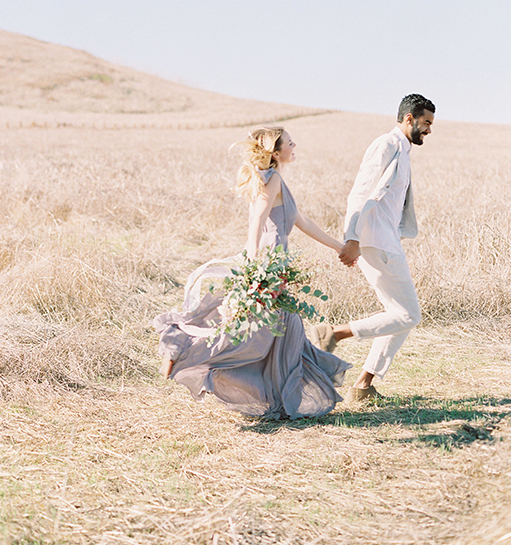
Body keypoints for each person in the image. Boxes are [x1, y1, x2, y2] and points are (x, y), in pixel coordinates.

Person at [153, 126, 351, 420]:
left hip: (276, 264)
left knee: (281, 334)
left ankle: (280, 401)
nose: (295, 145)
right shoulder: (273, 180)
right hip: (269, 264)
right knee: (257, 334)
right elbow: (258, 217)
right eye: (289, 142)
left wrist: (340, 247)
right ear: (276, 152)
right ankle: (181, 344)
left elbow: (303, 222)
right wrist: (254, 259)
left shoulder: (275, 182)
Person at [310, 94, 435, 402]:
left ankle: (364, 385)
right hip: (373, 242)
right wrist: (352, 239)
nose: (429, 130)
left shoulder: (403, 152)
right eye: (426, 123)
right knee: (409, 315)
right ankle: (335, 334)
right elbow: (361, 192)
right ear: (409, 118)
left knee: (401, 314)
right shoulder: (387, 145)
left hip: (385, 241)